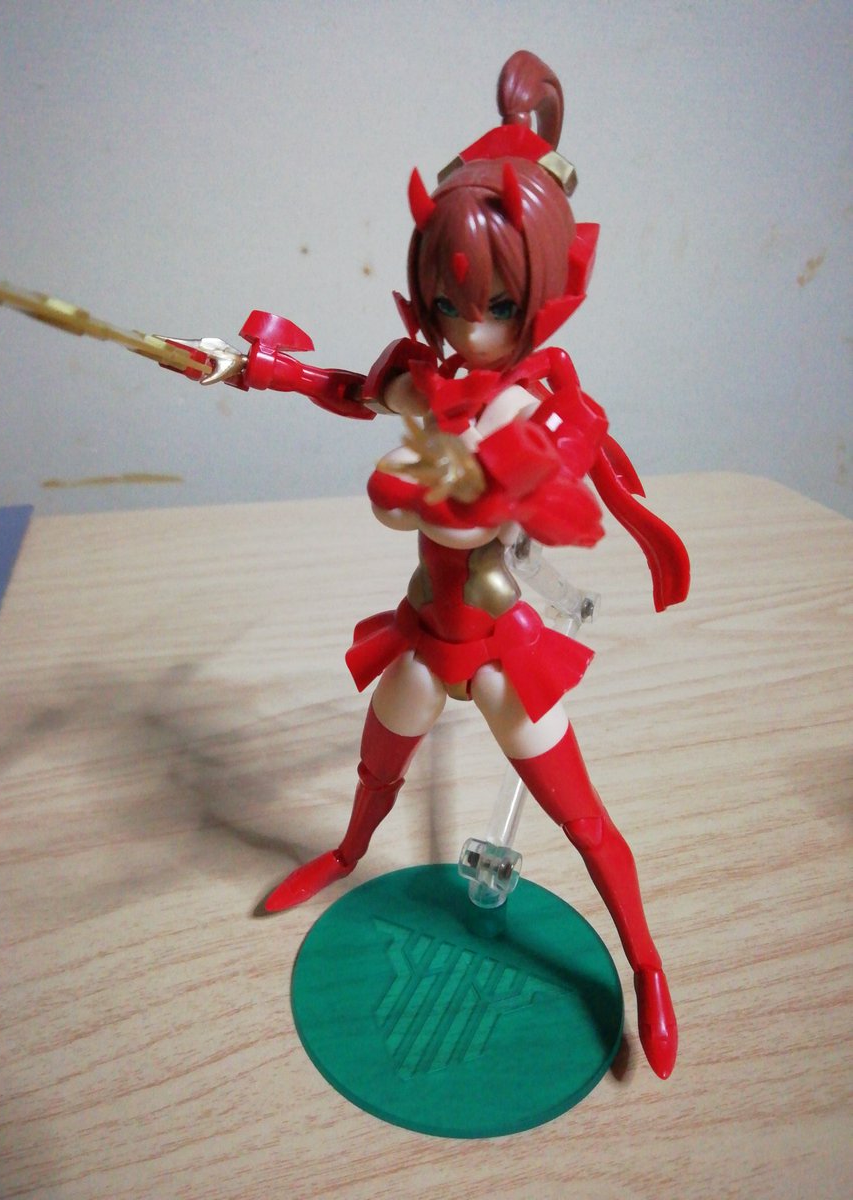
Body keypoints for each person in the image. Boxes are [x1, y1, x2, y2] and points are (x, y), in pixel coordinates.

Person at [198, 50, 688, 1079]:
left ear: (541, 295)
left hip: (504, 649)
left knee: (584, 820)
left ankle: (646, 965)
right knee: (378, 766)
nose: (467, 326)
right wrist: (249, 366)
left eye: (495, 306)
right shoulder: (427, 380)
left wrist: (466, 484)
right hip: (428, 638)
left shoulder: (535, 408)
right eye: (447, 301)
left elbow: (537, 499)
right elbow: (343, 387)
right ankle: (346, 853)